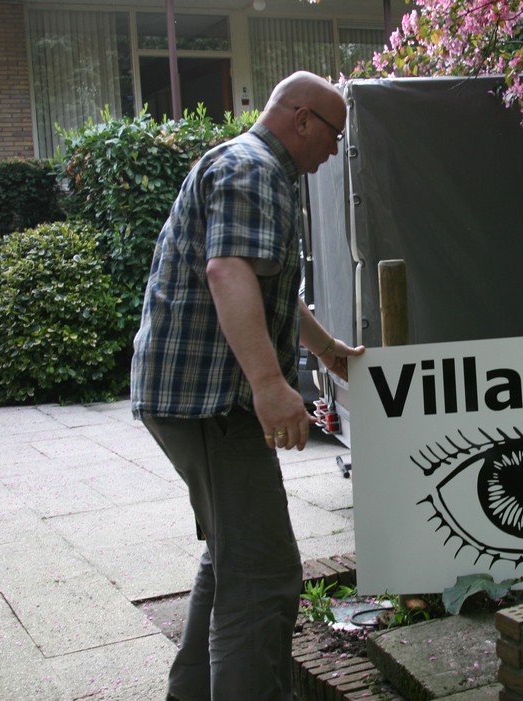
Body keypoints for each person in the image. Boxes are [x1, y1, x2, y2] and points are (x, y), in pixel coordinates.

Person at [130, 71, 364, 701]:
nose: (335, 149)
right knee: (263, 575)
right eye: (334, 134)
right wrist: (269, 384)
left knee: (231, 556)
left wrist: (328, 351)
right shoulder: (253, 168)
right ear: (303, 119)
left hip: (196, 398)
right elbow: (227, 271)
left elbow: (266, 283)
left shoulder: (252, 166)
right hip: (214, 402)